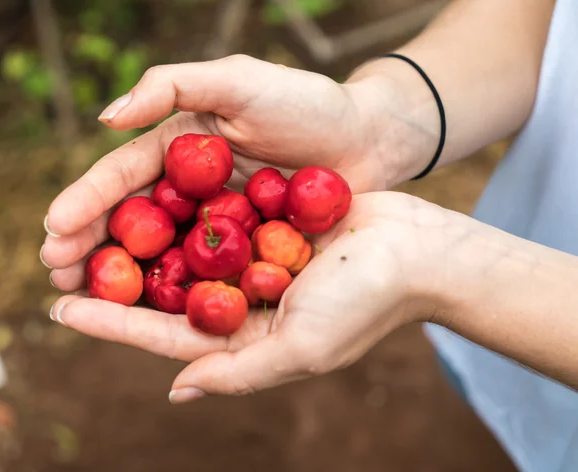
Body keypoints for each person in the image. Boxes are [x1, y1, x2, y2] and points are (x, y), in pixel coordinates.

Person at [39, 0, 578, 470]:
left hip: (503, 314)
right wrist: (377, 122)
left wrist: (442, 272)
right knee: (490, 422)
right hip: (487, 338)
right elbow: (546, 20)